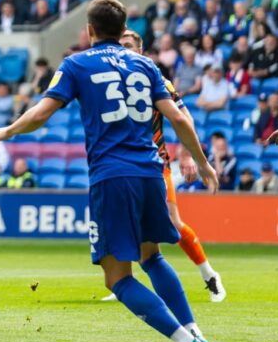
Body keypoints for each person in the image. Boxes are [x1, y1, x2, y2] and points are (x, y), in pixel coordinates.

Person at [0, 0, 217, 342]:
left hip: (113, 177)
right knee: (152, 256)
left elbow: (43, 112)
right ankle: (195, 332)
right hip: (151, 172)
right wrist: (203, 163)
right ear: (122, 28)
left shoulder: (77, 63)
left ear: (90, 30)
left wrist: (9, 129)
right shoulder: (147, 65)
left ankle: (183, 341)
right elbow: (179, 118)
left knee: (117, 279)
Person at [95, 30, 225, 303]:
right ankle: (124, 282)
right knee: (124, 224)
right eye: (120, 46)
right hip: (120, 166)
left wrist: (189, 155)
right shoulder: (108, 82)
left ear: (141, 51)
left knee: (173, 224)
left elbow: (182, 116)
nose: (124, 50)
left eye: (129, 46)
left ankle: (209, 274)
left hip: (155, 165)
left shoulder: (155, 80)